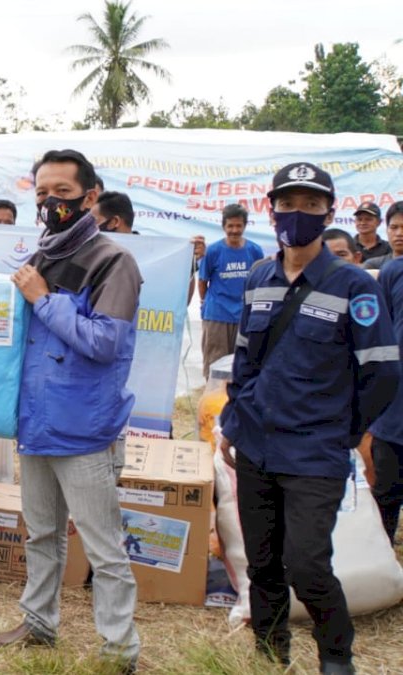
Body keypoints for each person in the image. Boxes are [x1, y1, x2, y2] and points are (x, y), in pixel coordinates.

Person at [219, 163, 399, 674]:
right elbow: (246, 359)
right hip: (255, 445)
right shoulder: (258, 276)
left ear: (329, 212)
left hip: (314, 452)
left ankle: (335, 657)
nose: (298, 214)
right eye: (289, 203)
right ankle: (270, 655)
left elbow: (383, 373)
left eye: (312, 205)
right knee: (263, 564)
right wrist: (237, 420)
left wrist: (344, 431)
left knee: (308, 565)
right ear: (270, 206)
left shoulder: (352, 285)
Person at [0, 149, 142, 673]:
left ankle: (119, 650)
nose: (51, 204)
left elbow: (104, 343)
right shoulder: (41, 256)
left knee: (104, 548)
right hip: (37, 425)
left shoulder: (113, 262)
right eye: (43, 194)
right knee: (41, 535)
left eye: (64, 195)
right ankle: (38, 623)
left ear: (91, 197)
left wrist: (43, 298)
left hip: (85, 431)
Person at [368, 202, 403, 545]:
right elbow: (384, 329)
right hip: (395, 402)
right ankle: (381, 551)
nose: (400, 232)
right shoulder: (393, 272)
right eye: (395, 226)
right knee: (387, 489)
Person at [197, 204, 265, 377]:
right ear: (223, 226)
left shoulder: (255, 251)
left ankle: (236, 402)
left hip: (244, 316)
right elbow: (203, 281)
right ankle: (213, 402)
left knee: (241, 363)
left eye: (238, 226)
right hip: (217, 315)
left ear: (245, 226)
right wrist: (204, 304)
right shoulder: (213, 251)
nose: (234, 230)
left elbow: (259, 281)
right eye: (230, 226)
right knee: (214, 364)